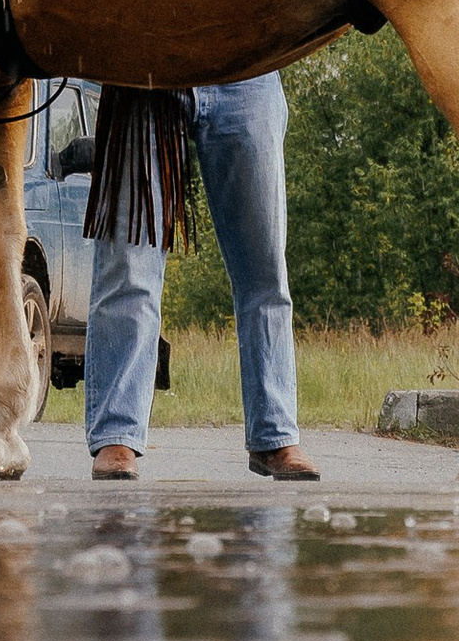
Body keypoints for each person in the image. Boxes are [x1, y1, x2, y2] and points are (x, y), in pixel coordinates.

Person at [81, 71, 319, 481]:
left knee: (264, 269)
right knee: (129, 268)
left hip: (248, 69)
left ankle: (274, 433)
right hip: (144, 69)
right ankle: (117, 435)